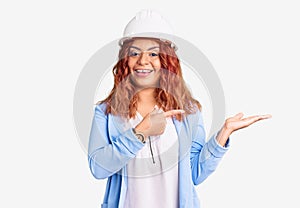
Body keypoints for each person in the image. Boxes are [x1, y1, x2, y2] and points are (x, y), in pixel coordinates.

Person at [88, 9, 271, 208]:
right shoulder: (106, 112)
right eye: (134, 53)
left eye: (153, 53)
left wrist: (224, 133)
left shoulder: (189, 111)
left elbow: (195, 173)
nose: (143, 61)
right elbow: (98, 168)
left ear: (167, 61)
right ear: (125, 60)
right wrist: (140, 132)